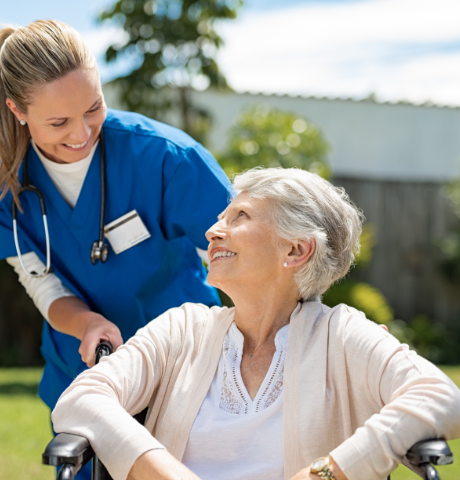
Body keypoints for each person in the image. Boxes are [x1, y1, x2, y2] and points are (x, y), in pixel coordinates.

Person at [52, 167, 460, 480]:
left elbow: (441, 397)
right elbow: (81, 399)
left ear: (296, 250)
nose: (213, 230)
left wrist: (328, 472)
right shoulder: (182, 329)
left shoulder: (344, 335)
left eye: (239, 216)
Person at [0, 19, 231, 422]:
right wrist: (87, 324)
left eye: (94, 107)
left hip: (185, 371)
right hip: (85, 376)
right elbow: (40, 281)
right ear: (17, 110)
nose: (82, 132)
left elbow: (242, 260)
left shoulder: (167, 158)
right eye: (58, 123)